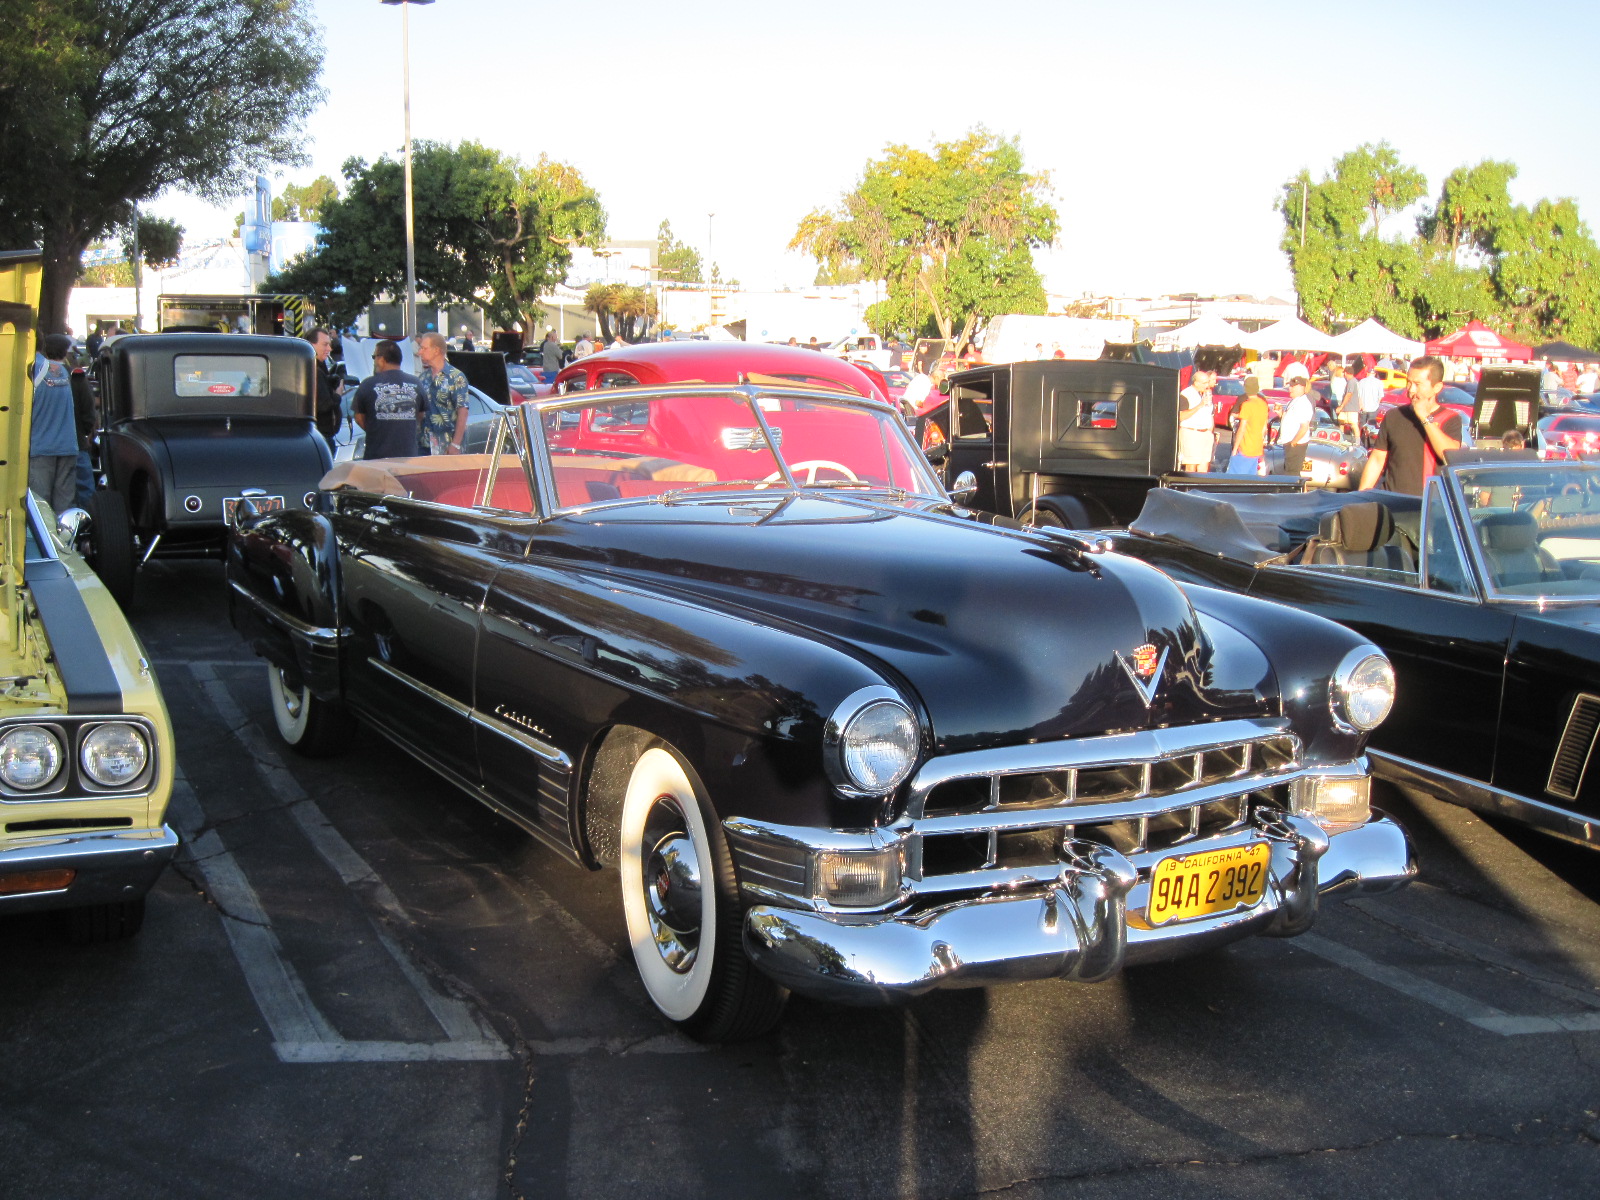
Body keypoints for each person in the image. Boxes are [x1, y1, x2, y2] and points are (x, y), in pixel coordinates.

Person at [1357, 356, 1463, 495]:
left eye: (1418, 384)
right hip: (1392, 501)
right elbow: (1377, 459)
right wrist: (1361, 496)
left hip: (1428, 504)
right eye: (1409, 383)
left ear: (1437, 387)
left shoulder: (1450, 418)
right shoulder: (1394, 416)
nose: (1411, 390)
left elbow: (1448, 455)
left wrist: (1425, 418)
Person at [350, 340, 423, 460]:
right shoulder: (416, 383)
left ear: (381, 359)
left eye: (374, 357)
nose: (374, 361)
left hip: (377, 456)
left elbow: (359, 418)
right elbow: (420, 415)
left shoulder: (367, 384)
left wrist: (378, 430)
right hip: (408, 457)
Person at [29, 334, 79, 511]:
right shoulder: (61, 370)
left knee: (41, 511)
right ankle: (64, 539)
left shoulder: (28, 370)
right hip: (67, 446)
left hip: (40, 449)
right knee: (63, 511)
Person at [414, 331, 471, 455]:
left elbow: (463, 411)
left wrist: (455, 444)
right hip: (424, 445)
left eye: (424, 348)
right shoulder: (422, 378)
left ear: (436, 350)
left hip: (447, 446)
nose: (420, 352)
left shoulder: (456, 377)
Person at [308, 327, 344, 454]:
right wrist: (338, 394)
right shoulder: (314, 371)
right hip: (321, 437)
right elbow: (324, 405)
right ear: (311, 345)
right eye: (325, 345)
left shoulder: (319, 367)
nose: (329, 349)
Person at [1228, 377, 1269, 475]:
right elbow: (1264, 428)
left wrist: (1235, 448)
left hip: (1245, 447)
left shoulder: (1247, 405)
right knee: (1251, 477)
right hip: (1257, 447)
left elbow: (1242, 428)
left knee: (1236, 477)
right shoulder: (1263, 403)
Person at [1177, 369, 1215, 472]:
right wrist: (1200, 405)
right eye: (1204, 383)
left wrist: (1211, 431)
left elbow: (1209, 413)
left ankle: (1200, 487)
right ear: (1196, 383)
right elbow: (1181, 416)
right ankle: (1189, 487)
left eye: (1208, 382)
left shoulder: (1206, 393)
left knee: (1204, 464)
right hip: (1192, 433)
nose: (1207, 385)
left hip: (1206, 433)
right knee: (1191, 465)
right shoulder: (1186, 394)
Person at [1276, 377, 1315, 476]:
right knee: (1289, 471)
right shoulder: (1294, 401)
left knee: (1292, 474)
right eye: (1290, 386)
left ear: (1302, 387)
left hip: (1296, 445)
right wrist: (1280, 413)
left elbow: (1304, 427)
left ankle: (1293, 491)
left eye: (1294, 387)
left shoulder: (1303, 403)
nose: (1290, 389)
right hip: (1290, 443)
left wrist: (1294, 442)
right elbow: (1290, 420)